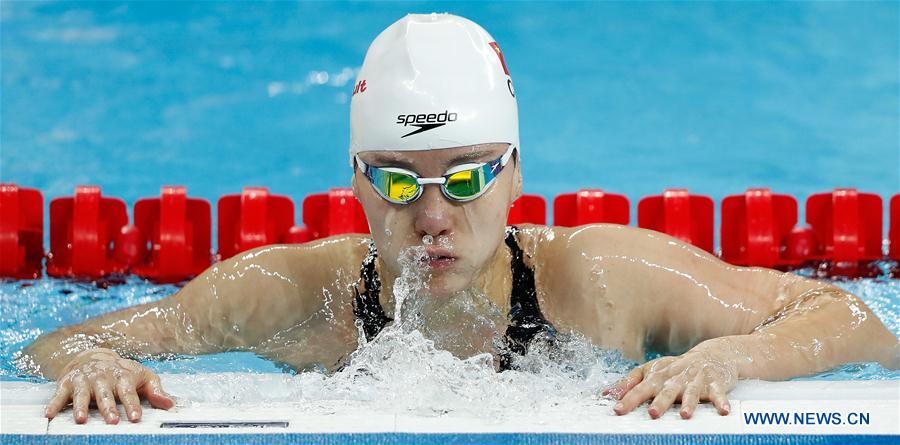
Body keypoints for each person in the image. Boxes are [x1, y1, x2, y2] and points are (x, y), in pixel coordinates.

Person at [20, 13, 898, 426]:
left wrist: (726, 355)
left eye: (467, 177)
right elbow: (43, 348)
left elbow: (855, 320)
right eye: (399, 184)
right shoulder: (288, 294)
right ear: (356, 183)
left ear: (516, 176)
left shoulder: (597, 279)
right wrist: (96, 360)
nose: (433, 217)